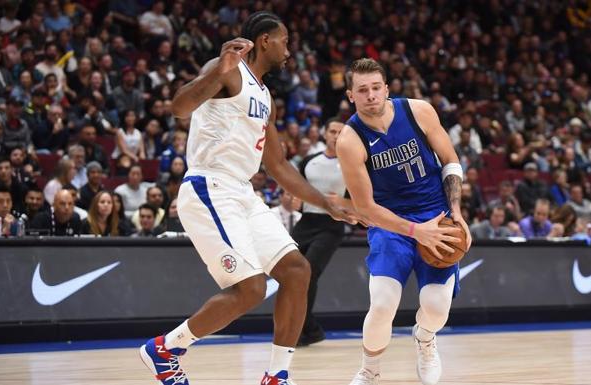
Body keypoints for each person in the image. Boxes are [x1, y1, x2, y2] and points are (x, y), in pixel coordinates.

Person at [139, 12, 353, 385]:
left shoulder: (265, 95)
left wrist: (327, 202)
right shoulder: (228, 69)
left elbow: (278, 166)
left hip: (242, 192)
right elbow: (179, 107)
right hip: (210, 186)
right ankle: (166, 348)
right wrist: (217, 71)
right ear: (266, 41)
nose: (289, 50)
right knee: (251, 289)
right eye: (285, 41)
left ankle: (276, 375)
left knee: (297, 271)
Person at [334, 58, 471, 385]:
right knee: (382, 304)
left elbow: (450, 161)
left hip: (435, 218)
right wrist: (413, 231)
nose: (370, 95)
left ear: (386, 88)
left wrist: (457, 212)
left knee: (436, 307)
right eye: (362, 90)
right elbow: (365, 209)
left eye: (376, 88)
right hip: (390, 225)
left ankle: (425, 338)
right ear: (351, 96)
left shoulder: (419, 111)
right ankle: (370, 370)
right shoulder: (350, 140)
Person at [292, 118, 347, 346]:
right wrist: (296, 198)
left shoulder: (352, 164)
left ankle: (306, 329)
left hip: (331, 225)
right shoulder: (308, 161)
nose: (335, 135)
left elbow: (359, 198)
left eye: (340, 132)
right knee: (290, 272)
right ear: (325, 134)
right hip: (306, 222)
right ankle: (309, 328)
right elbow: (297, 188)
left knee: (309, 272)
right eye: (332, 131)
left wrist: (342, 202)